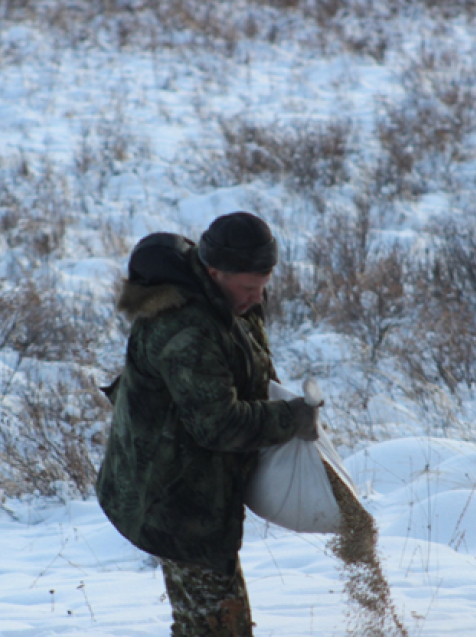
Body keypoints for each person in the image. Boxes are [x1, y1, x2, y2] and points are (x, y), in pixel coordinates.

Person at [95, 211, 320, 636]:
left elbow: (248, 369)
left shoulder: (228, 301)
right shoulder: (186, 329)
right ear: (214, 271)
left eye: (263, 287)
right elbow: (217, 424)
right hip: (173, 500)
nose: (256, 298)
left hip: (196, 488)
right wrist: (291, 418)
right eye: (249, 288)